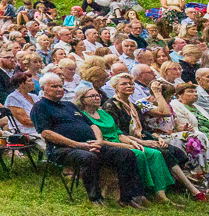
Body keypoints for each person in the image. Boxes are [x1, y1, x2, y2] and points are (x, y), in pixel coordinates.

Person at [28, 75, 146, 207]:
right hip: (62, 149)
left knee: (126, 153)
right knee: (88, 157)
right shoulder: (40, 107)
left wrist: (99, 141)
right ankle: (95, 198)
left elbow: (92, 125)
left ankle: (127, 198)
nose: (59, 89)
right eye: (54, 86)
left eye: (61, 86)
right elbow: (46, 133)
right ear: (43, 88)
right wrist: (77, 144)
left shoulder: (69, 105)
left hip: (90, 144)